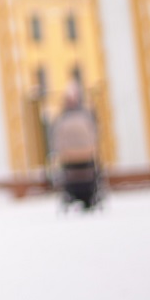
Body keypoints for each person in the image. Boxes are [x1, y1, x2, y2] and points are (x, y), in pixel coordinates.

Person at [50, 80, 101, 210]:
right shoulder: (81, 116)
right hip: (77, 156)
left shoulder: (68, 117)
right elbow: (94, 133)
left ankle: (85, 195)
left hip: (80, 155)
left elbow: (56, 138)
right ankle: (85, 195)